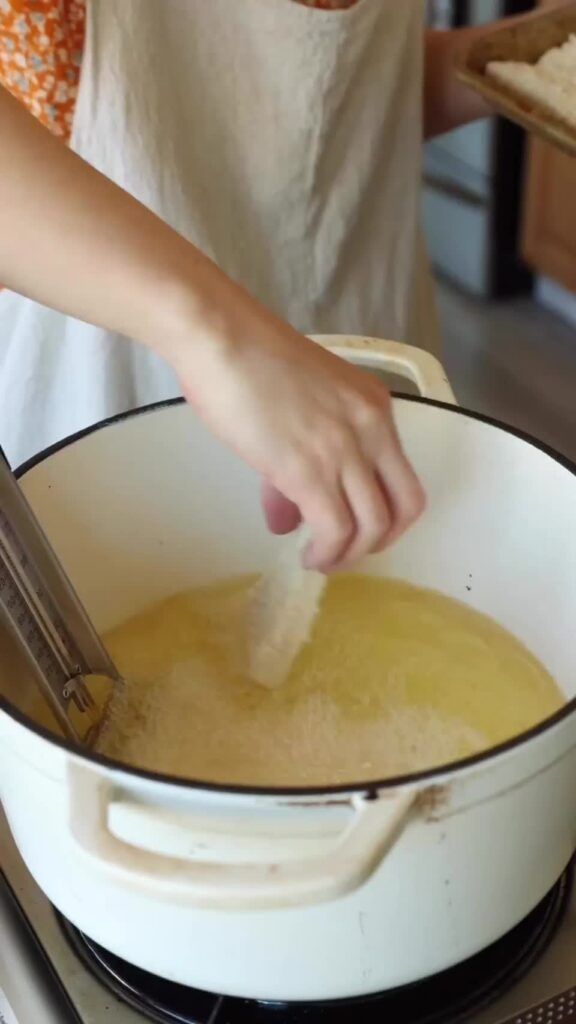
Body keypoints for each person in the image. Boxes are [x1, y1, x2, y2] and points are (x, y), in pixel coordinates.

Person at [0, 1, 513, 571]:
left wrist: (519, 59)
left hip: (362, 362)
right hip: (106, 390)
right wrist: (216, 335)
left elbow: (344, 87)